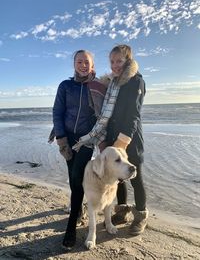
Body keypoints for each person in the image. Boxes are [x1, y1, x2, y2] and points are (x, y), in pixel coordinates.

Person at [73, 44, 148, 236]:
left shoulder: (135, 81)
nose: (115, 65)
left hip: (130, 137)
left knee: (136, 177)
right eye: (112, 61)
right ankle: (122, 212)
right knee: (118, 178)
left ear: (128, 60)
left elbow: (133, 115)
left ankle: (140, 217)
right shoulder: (114, 83)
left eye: (119, 61)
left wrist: (123, 142)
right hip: (114, 137)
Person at [52, 50, 107, 250]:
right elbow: (57, 112)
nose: (83, 65)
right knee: (73, 178)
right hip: (67, 139)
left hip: (86, 141)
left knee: (77, 178)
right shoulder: (65, 86)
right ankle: (78, 211)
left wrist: (98, 140)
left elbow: (104, 114)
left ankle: (71, 227)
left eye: (87, 62)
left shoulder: (99, 87)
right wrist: (61, 139)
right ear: (74, 64)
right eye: (79, 61)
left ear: (92, 65)